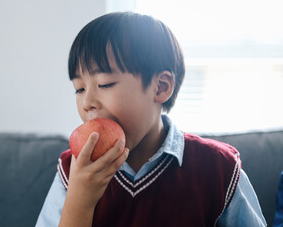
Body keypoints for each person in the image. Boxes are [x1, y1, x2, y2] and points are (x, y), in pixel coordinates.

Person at [36, 12, 266, 226]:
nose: (87, 102)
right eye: (79, 89)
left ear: (161, 87)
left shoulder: (219, 168)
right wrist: (80, 199)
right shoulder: (72, 170)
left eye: (105, 84)